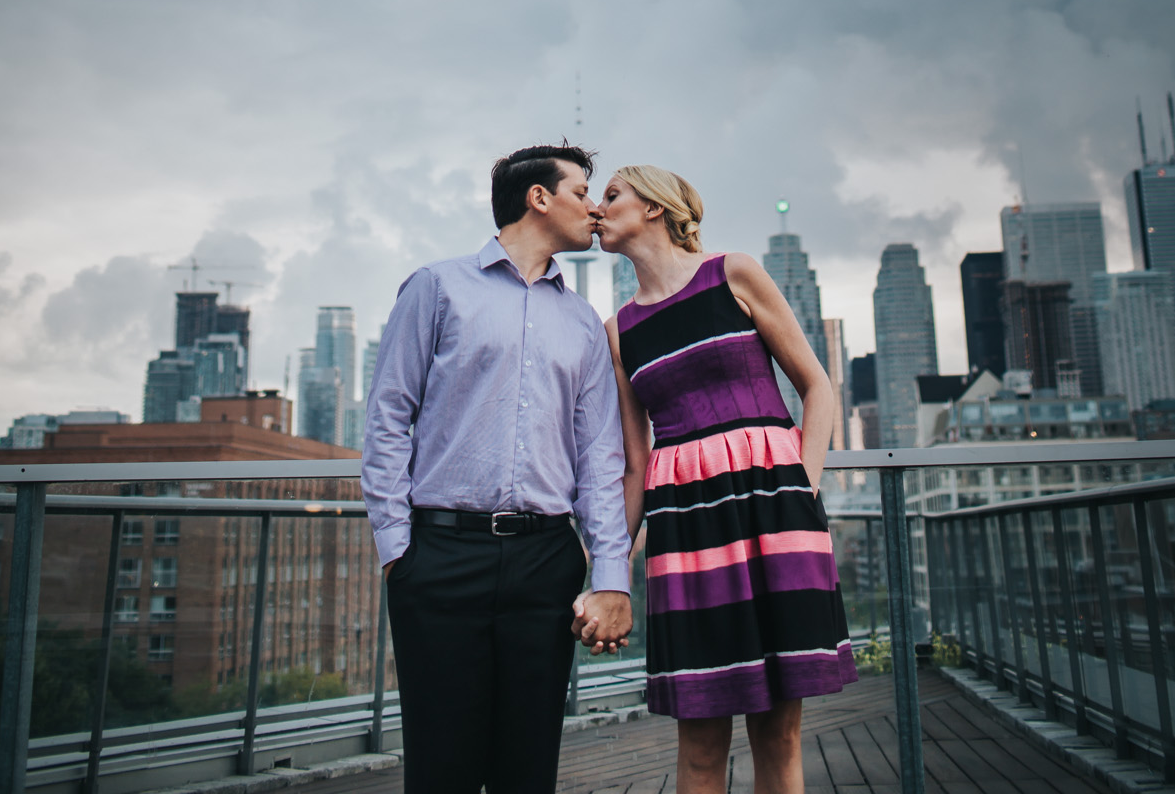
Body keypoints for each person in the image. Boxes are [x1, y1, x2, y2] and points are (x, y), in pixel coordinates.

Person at [362, 142, 634, 794]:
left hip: (546, 562)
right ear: (537, 198)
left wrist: (611, 576)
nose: (594, 209)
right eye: (580, 192)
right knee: (440, 764)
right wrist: (399, 550)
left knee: (527, 765)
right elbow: (386, 418)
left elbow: (600, 457)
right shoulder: (436, 287)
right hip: (439, 558)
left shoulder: (582, 323)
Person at [588, 164, 855, 794]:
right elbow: (634, 460)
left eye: (612, 195)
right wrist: (608, 571)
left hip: (776, 514)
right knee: (702, 743)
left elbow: (817, 387)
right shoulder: (617, 333)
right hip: (685, 531)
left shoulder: (733, 273)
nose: (597, 210)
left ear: (655, 207)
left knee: (779, 734)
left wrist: (801, 486)